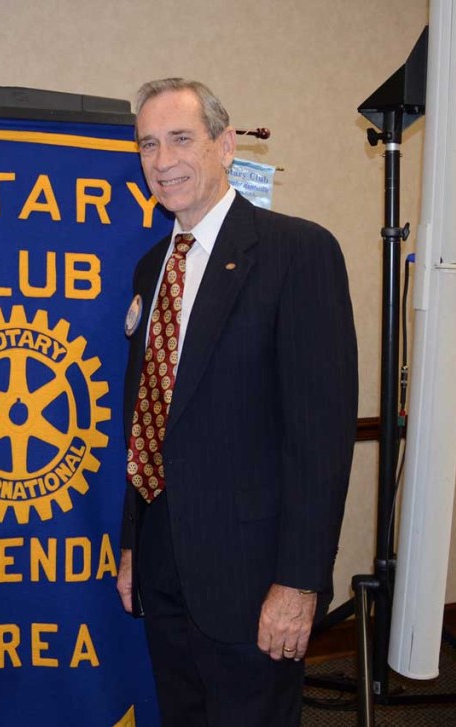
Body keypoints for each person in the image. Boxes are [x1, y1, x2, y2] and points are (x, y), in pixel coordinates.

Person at [116, 78, 358, 726]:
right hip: (164, 567)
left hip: (254, 580)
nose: (162, 160)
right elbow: (148, 417)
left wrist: (300, 582)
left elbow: (320, 440)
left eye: (180, 138)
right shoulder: (150, 268)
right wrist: (134, 543)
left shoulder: (297, 253)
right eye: (147, 145)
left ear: (225, 145)